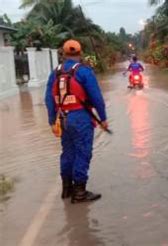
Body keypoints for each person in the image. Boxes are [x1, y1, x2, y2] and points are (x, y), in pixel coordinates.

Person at [45, 39, 108, 203]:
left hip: (63, 118)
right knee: (82, 152)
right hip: (80, 118)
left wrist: (52, 121)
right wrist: (103, 118)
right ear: (80, 53)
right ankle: (79, 192)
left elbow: (48, 99)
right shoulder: (84, 72)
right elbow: (97, 98)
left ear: (64, 54)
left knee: (68, 152)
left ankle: (67, 189)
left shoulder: (55, 72)